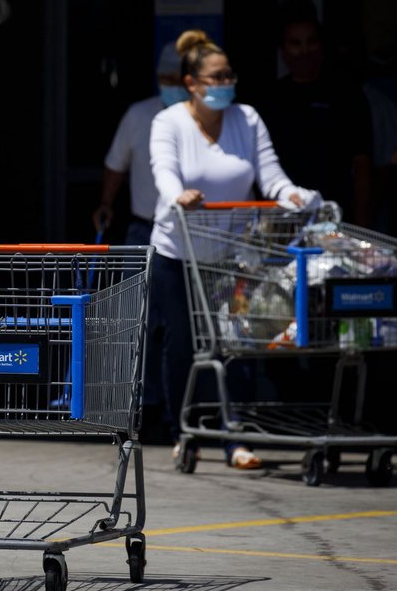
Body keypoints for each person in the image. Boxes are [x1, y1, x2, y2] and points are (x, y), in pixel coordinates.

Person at [146, 29, 319, 469]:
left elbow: (271, 174)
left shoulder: (247, 119)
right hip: (176, 254)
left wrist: (292, 194)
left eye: (229, 76)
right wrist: (177, 194)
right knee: (184, 346)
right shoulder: (169, 122)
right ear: (193, 83)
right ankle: (184, 429)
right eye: (216, 77)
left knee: (236, 346)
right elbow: (163, 172)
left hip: (230, 255)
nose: (225, 84)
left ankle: (234, 437)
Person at [252, 0, 373, 227]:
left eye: (311, 42)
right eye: (295, 43)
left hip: (334, 214)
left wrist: (361, 223)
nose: (304, 51)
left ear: (322, 45)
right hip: (282, 217)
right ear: (283, 50)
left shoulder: (347, 95)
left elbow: (362, 164)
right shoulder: (269, 99)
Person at [92, 41, 189, 246]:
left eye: (177, 80)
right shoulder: (139, 115)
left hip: (194, 228)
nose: (172, 84)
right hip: (147, 226)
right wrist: (106, 203)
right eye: (166, 79)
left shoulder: (208, 119)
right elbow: (116, 164)